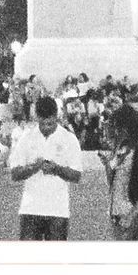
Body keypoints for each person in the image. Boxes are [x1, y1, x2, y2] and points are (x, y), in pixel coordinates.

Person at [9, 95, 83, 240]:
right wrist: (34, 167)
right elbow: (14, 174)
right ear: (37, 117)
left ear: (57, 116)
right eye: (42, 124)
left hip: (57, 210)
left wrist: (56, 169)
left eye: (50, 124)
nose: (46, 128)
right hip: (30, 209)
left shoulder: (69, 139)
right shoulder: (27, 138)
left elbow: (76, 175)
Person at [103, 103, 138, 240]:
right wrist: (107, 166)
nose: (115, 132)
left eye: (118, 127)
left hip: (130, 214)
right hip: (116, 213)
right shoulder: (122, 148)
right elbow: (112, 184)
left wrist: (131, 216)